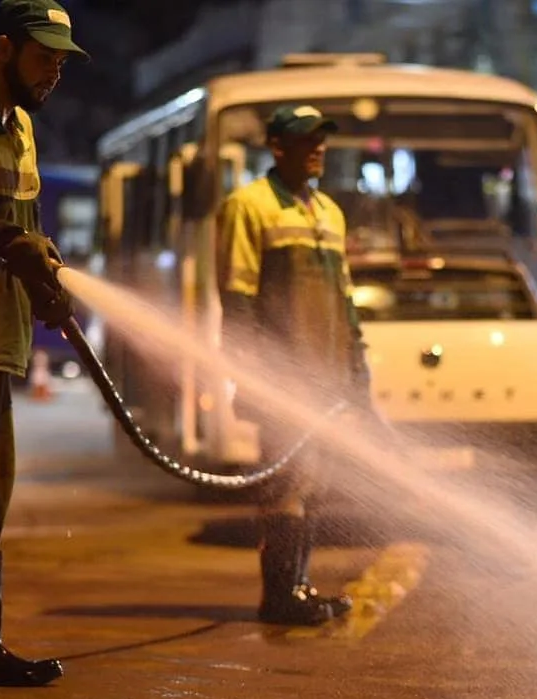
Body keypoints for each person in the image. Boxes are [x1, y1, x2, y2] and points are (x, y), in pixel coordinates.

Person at [0, 1, 86, 695]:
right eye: (44, 55)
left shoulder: (22, 127)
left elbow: (25, 228)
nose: (55, 68)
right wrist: (6, 241)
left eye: (62, 58)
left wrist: (47, 294)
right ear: (3, 49)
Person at [216, 105, 372, 626]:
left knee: (316, 486)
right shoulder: (249, 206)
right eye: (307, 141)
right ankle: (280, 596)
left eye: (322, 140)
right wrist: (254, 374)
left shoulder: (329, 212)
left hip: (327, 380)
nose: (318, 149)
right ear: (278, 147)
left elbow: (345, 302)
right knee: (288, 487)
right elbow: (237, 297)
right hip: (284, 379)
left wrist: (357, 373)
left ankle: (298, 588)